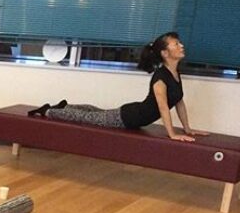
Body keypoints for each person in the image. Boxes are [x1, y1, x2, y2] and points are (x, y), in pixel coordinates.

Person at [29, 32, 208, 142]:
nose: (181, 45)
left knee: (97, 112)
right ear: (165, 53)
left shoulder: (175, 73)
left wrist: (187, 128)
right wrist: (172, 134)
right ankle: (48, 111)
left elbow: (179, 102)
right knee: (89, 118)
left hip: (133, 113)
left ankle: (65, 106)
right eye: (176, 44)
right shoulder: (160, 77)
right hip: (128, 118)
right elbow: (163, 107)